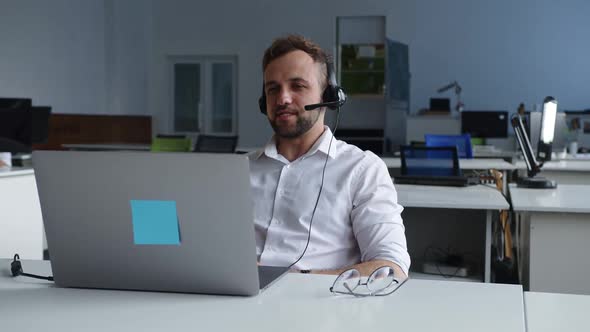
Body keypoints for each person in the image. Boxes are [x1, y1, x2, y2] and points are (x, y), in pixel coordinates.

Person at [249, 34, 410, 277]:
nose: (282, 98)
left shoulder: (362, 170)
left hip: (319, 307)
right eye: (273, 89)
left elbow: (391, 266)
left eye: (298, 86)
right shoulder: (238, 169)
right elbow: (183, 238)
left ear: (328, 96)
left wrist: (289, 279)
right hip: (235, 307)